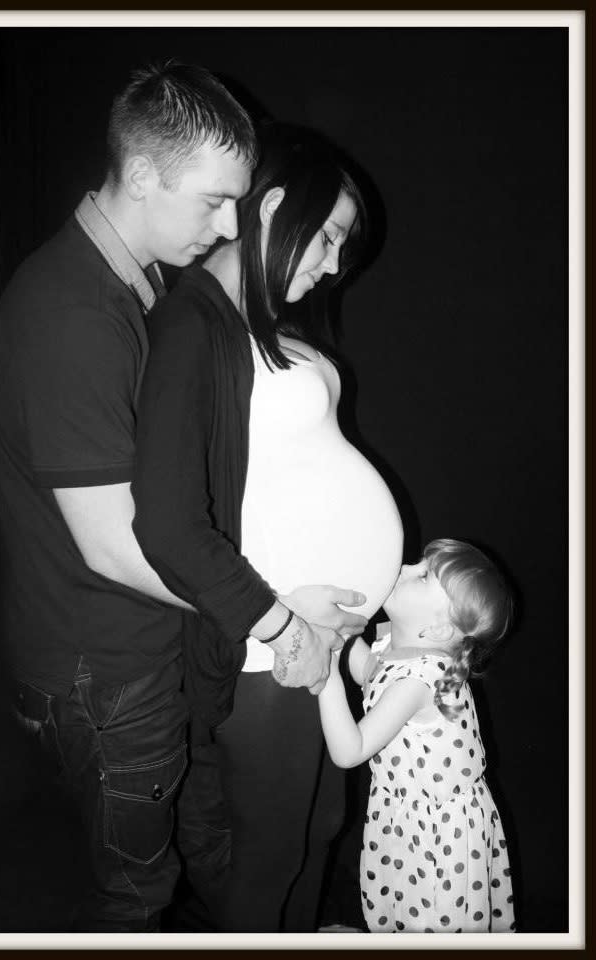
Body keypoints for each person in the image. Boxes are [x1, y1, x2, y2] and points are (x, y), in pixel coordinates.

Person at [0, 60, 263, 933]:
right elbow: (110, 544)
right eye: (214, 201)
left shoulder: (129, 284)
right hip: (103, 670)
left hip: (132, 652)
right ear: (141, 175)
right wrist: (264, 611)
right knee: (135, 895)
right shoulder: (71, 314)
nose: (230, 225)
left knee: (188, 848)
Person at [132, 123, 404, 931]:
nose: (332, 265)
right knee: (270, 855)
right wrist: (283, 621)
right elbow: (170, 524)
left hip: (315, 637)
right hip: (269, 647)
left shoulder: (251, 326)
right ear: (275, 205)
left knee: (318, 830)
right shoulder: (191, 325)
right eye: (327, 238)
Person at [318, 538, 516, 933]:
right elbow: (369, 672)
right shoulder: (398, 647)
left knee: (430, 917)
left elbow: (349, 750)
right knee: (407, 906)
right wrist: (337, 631)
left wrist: (323, 675)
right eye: (418, 564)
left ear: (438, 627)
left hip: (437, 833)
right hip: (412, 816)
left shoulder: (421, 681)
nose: (406, 568)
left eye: (423, 576)